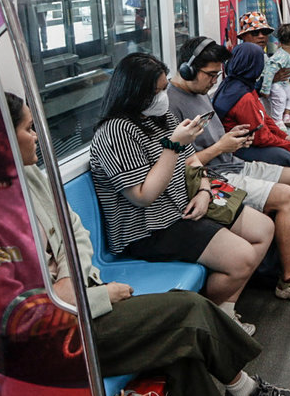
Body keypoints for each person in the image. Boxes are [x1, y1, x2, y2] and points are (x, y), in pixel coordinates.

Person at [4, 91, 290, 396]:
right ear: (3, 139)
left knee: (179, 351)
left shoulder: (31, 176)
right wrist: (98, 295)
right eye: (28, 129)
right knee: (189, 311)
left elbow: (74, 231)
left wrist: (201, 189)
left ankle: (240, 389)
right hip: (65, 328)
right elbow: (30, 308)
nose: (36, 137)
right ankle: (244, 386)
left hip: (88, 289)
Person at [89, 53, 274, 318]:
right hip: (149, 228)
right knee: (242, 257)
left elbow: (193, 160)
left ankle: (226, 309)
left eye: (164, 88)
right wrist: (173, 146)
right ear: (135, 92)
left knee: (264, 228)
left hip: (183, 207)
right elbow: (144, 196)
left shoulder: (159, 117)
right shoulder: (115, 132)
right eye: (157, 91)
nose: (163, 96)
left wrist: (203, 190)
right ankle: (212, 318)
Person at [168, 37, 290, 301]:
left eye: (217, 75)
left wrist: (230, 138)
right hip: (214, 176)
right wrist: (221, 146)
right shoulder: (170, 105)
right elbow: (182, 163)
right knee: (287, 196)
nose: (214, 82)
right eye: (210, 75)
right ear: (188, 69)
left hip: (233, 163)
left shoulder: (199, 93)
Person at [236, 11, 290, 166]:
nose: (261, 36)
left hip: (274, 112)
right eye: (256, 33)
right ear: (244, 36)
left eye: (265, 32)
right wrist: (268, 82)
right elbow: (243, 93)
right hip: (263, 120)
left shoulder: (266, 56)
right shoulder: (240, 59)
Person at [260, 23, 290, 130]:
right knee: (280, 97)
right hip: (273, 83)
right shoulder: (280, 56)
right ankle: (276, 120)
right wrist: (265, 89)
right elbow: (269, 72)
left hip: (283, 82)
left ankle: (287, 116)